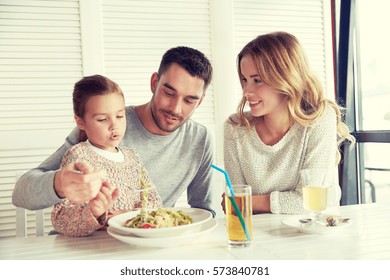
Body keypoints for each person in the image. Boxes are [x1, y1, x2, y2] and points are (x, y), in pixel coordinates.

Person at [12, 46, 215, 217]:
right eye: (169, 93)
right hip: (84, 247)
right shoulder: (105, 122)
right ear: (154, 83)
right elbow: (21, 194)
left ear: (201, 100)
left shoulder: (200, 139)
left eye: (190, 100)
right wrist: (60, 183)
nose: (176, 109)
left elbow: (203, 213)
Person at [223, 32, 355, 215]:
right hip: (259, 235)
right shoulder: (235, 127)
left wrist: (251, 202)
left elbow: (309, 202)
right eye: (244, 80)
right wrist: (244, 203)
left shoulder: (320, 119)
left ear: (285, 77)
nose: (247, 91)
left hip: (313, 233)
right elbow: (236, 205)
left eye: (257, 80)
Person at [51, 75, 162, 237]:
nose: (114, 126)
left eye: (119, 116)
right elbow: (61, 218)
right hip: (95, 246)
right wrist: (94, 212)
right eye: (102, 119)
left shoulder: (132, 157)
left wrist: (131, 215)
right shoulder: (79, 156)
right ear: (80, 122)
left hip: (131, 242)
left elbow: (154, 200)